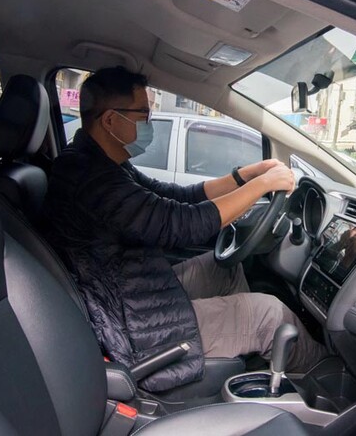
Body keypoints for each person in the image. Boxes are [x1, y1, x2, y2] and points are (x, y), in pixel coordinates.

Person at [43, 67, 327, 392]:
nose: (149, 123)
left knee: (225, 269)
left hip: (130, 291)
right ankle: (325, 382)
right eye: (143, 115)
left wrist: (245, 176)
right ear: (110, 120)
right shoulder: (92, 179)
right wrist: (261, 186)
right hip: (132, 326)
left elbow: (174, 196)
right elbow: (181, 224)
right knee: (270, 316)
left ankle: (235, 351)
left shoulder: (99, 164)